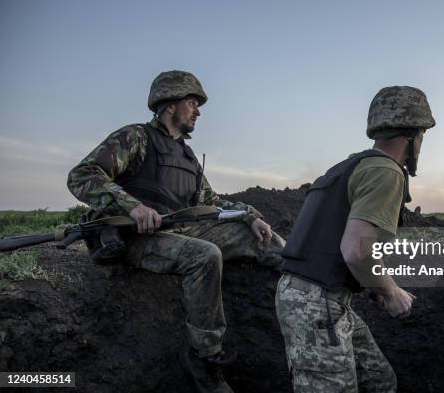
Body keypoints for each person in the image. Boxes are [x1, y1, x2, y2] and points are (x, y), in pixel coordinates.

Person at [67, 70, 285, 393]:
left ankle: (310, 278)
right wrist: (132, 207)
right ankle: (205, 358)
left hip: (183, 232)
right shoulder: (136, 138)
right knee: (205, 256)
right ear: (170, 105)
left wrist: (249, 215)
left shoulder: (188, 157)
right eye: (192, 102)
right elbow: (82, 175)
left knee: (260, 237)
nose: (198, 111)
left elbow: (210, 202)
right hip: (139, 240)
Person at [276, 86, 436, 392]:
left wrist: (374, 287)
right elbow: (355, 251)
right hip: (316, 303)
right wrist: (391, 292)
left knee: (379, 380)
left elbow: (332, 239)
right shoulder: (386, 172)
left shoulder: (349, 166)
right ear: (412, 137)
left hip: (317, 296)